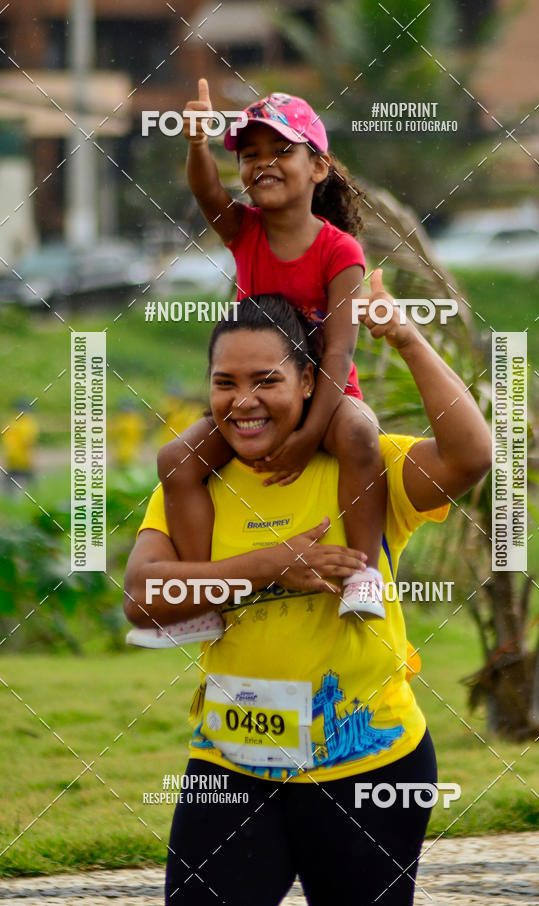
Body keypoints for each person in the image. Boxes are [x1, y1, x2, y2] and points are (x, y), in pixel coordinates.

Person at [124, 282, 492, 906]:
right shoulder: (197, 481)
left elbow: (471, 455)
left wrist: (406, 338)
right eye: (224, 383)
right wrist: (271, 565)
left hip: (370, 768)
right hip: (230, 766)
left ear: (308, 383)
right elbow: (143, 597)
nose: (243, 401)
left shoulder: (366, 466)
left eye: (266, 380)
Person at [156, 81, 386, 636]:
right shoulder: (244, 231)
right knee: (175, 461)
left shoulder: (340, 250)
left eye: (282, 150)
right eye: (250, 154)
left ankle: (364, 575)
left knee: (362, 436)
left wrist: (310, 434)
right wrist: (197, 143)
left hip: (325, 395)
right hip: (256, 394)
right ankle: (204, 596)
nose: (264, 162)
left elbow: (340, 349)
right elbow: (206, 189)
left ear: (318, 167)